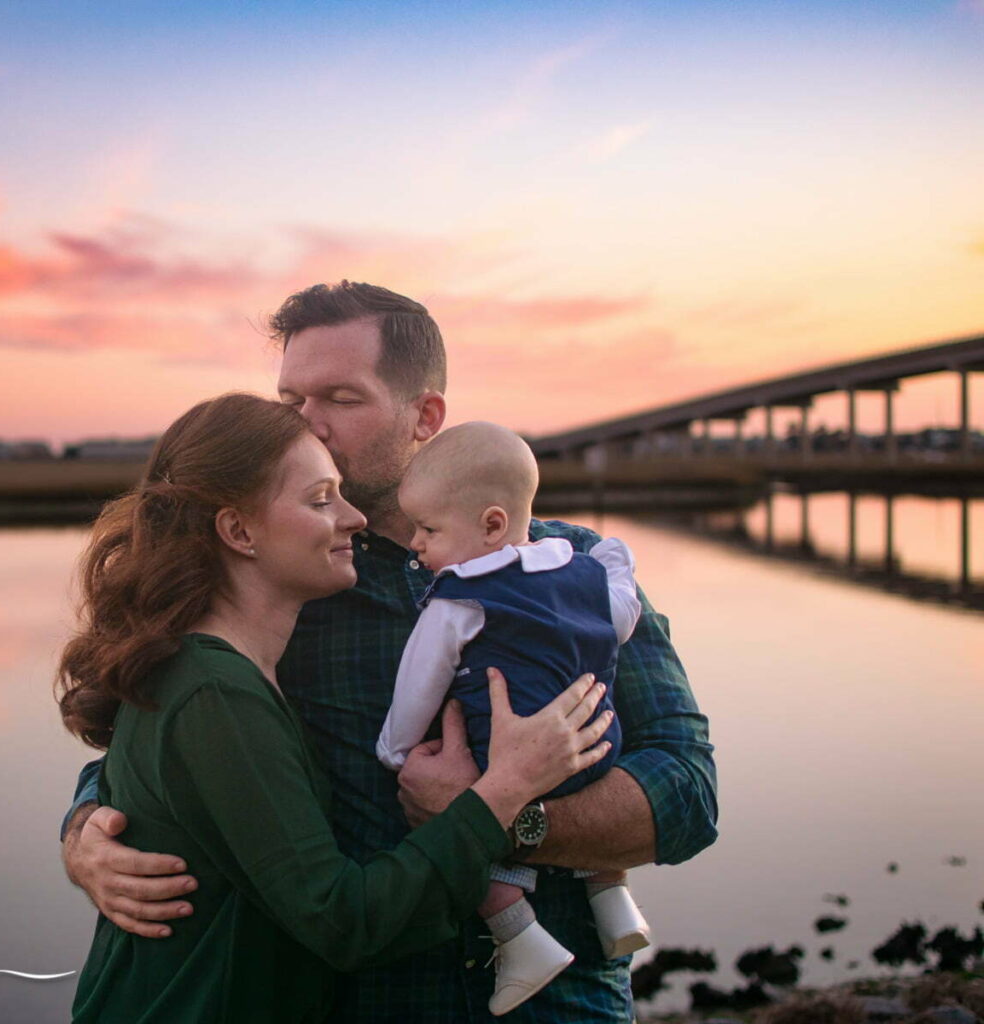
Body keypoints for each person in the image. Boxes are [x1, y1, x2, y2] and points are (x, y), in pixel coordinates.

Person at [62, 281, 719, 1023]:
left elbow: (688, 792)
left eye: (340, 398)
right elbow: (173, 740)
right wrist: (89, 829)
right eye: (290, 402)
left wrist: (512, 819)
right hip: (368, 1001)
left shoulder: (573, 569)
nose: (307, 425)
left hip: (565, 1006)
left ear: (425, 417)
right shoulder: (286, 586)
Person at [375, 421, 650, 1015]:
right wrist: (615, 558)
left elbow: (418, 685)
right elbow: (623, 616)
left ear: (491, 526)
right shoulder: (580, 570)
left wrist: (396, 753)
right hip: (596, 748)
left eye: (428, 530)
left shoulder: (459, 598)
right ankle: (613, 900)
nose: (418, 544)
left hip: (496, 757)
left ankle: (519, 938)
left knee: (464, 825)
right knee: (591, 793)